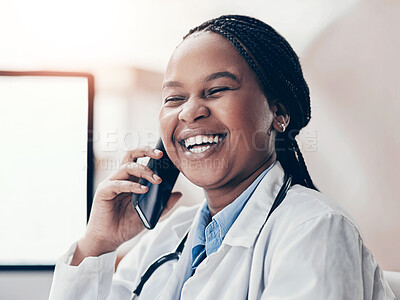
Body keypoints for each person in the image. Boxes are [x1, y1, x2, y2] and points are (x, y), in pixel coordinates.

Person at [49, 15, 395, 299]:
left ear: (278, 112)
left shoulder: (315, 229)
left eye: (216, 90)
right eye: (174, 98)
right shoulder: (169, 237)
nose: (190, 112)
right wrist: (96, 244)